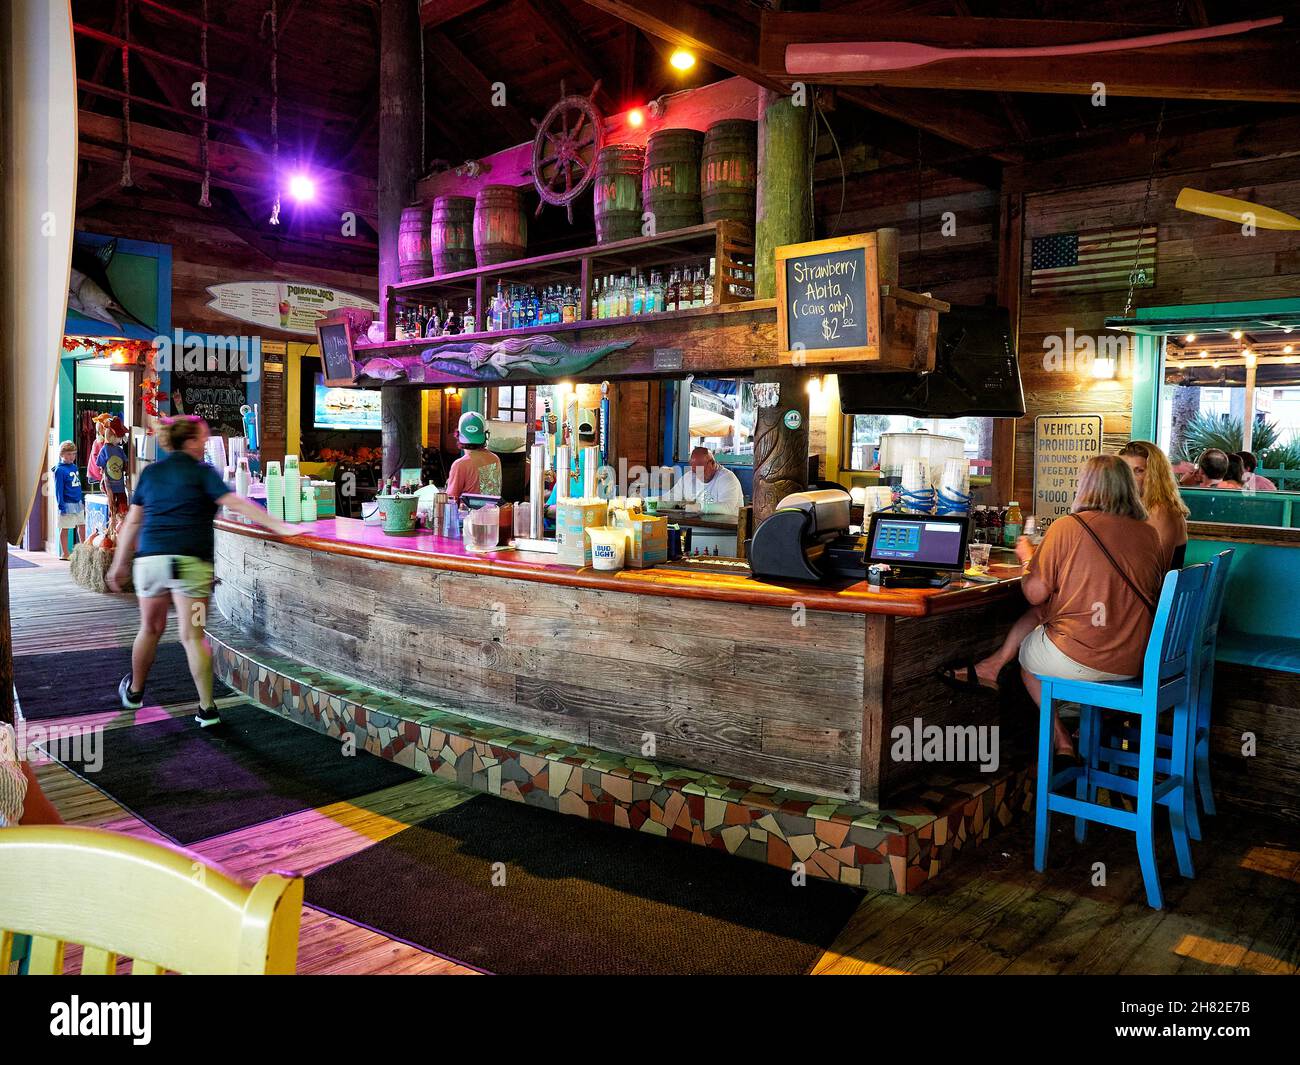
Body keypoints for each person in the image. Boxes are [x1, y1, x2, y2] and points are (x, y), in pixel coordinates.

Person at [946, 456, 1165, 759]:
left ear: (1086, 486)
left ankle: (1061, 740)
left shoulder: (1068, 527)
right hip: (1135, 661)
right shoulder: (1149, 534)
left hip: (1084, 660)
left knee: (1028, 661)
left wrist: (1027, 557)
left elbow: (1034, 593)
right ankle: (991, 667)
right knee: (1042, 616)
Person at [107, 415, 299, 727]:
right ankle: (207, 709)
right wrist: (277, 524)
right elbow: (235, 502)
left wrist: (119, 563)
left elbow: (133, 522)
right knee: (193, 636)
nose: (208, 442)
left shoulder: (151, 472)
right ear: (192, 441)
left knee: (149, 628)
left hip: (151, 564)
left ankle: (135, 692)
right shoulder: (203, 473)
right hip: (191, 566)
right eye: (204, 437)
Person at [1118, 440, 1190, 569]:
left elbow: (1156, 569)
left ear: (1155, 476)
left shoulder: (1160, 510)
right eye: (1125, 471)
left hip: (1153, 587)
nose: (1129, 478)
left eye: (1138, 471)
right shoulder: (1135, 508)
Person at [662, 446, 744, 516]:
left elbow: (727, 508)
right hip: (698, 526)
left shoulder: (727, 478)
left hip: (726, 529)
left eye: (701, 470)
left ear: (712, 463)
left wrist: (699, 507)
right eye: (695, 471)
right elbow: (671, 497)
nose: (698, 475)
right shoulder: (689, 477)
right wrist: (654, 502)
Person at [445, 412, 502, 501]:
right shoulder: (495, 459)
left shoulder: (460, 465)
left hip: (469, 514)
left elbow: (451, 500)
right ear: (485, 435)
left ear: (458, 435)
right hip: (493, 513)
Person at [52, 440, 85, 560]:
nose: (72, 457)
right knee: (65, 527)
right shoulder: (59, 470)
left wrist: (80, 500)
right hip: (67, 503)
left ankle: (83, 549)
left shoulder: (74, 467)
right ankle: (65, 553)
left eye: (74, 454)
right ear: (62, 454)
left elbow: (77, 485)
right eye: (68, 454)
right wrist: (61, 506)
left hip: (77, 502)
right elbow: (58, 490)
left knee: (82, 525)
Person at [99, 416, 131, 523]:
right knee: (112, 508)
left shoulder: (120, 450)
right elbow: (101, 466)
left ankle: (119, 528)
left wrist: (127, 470)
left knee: (122, 508)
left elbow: (125, 464)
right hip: (109, 485)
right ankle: (112, 529)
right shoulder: (105, 449)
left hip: (120, 484)